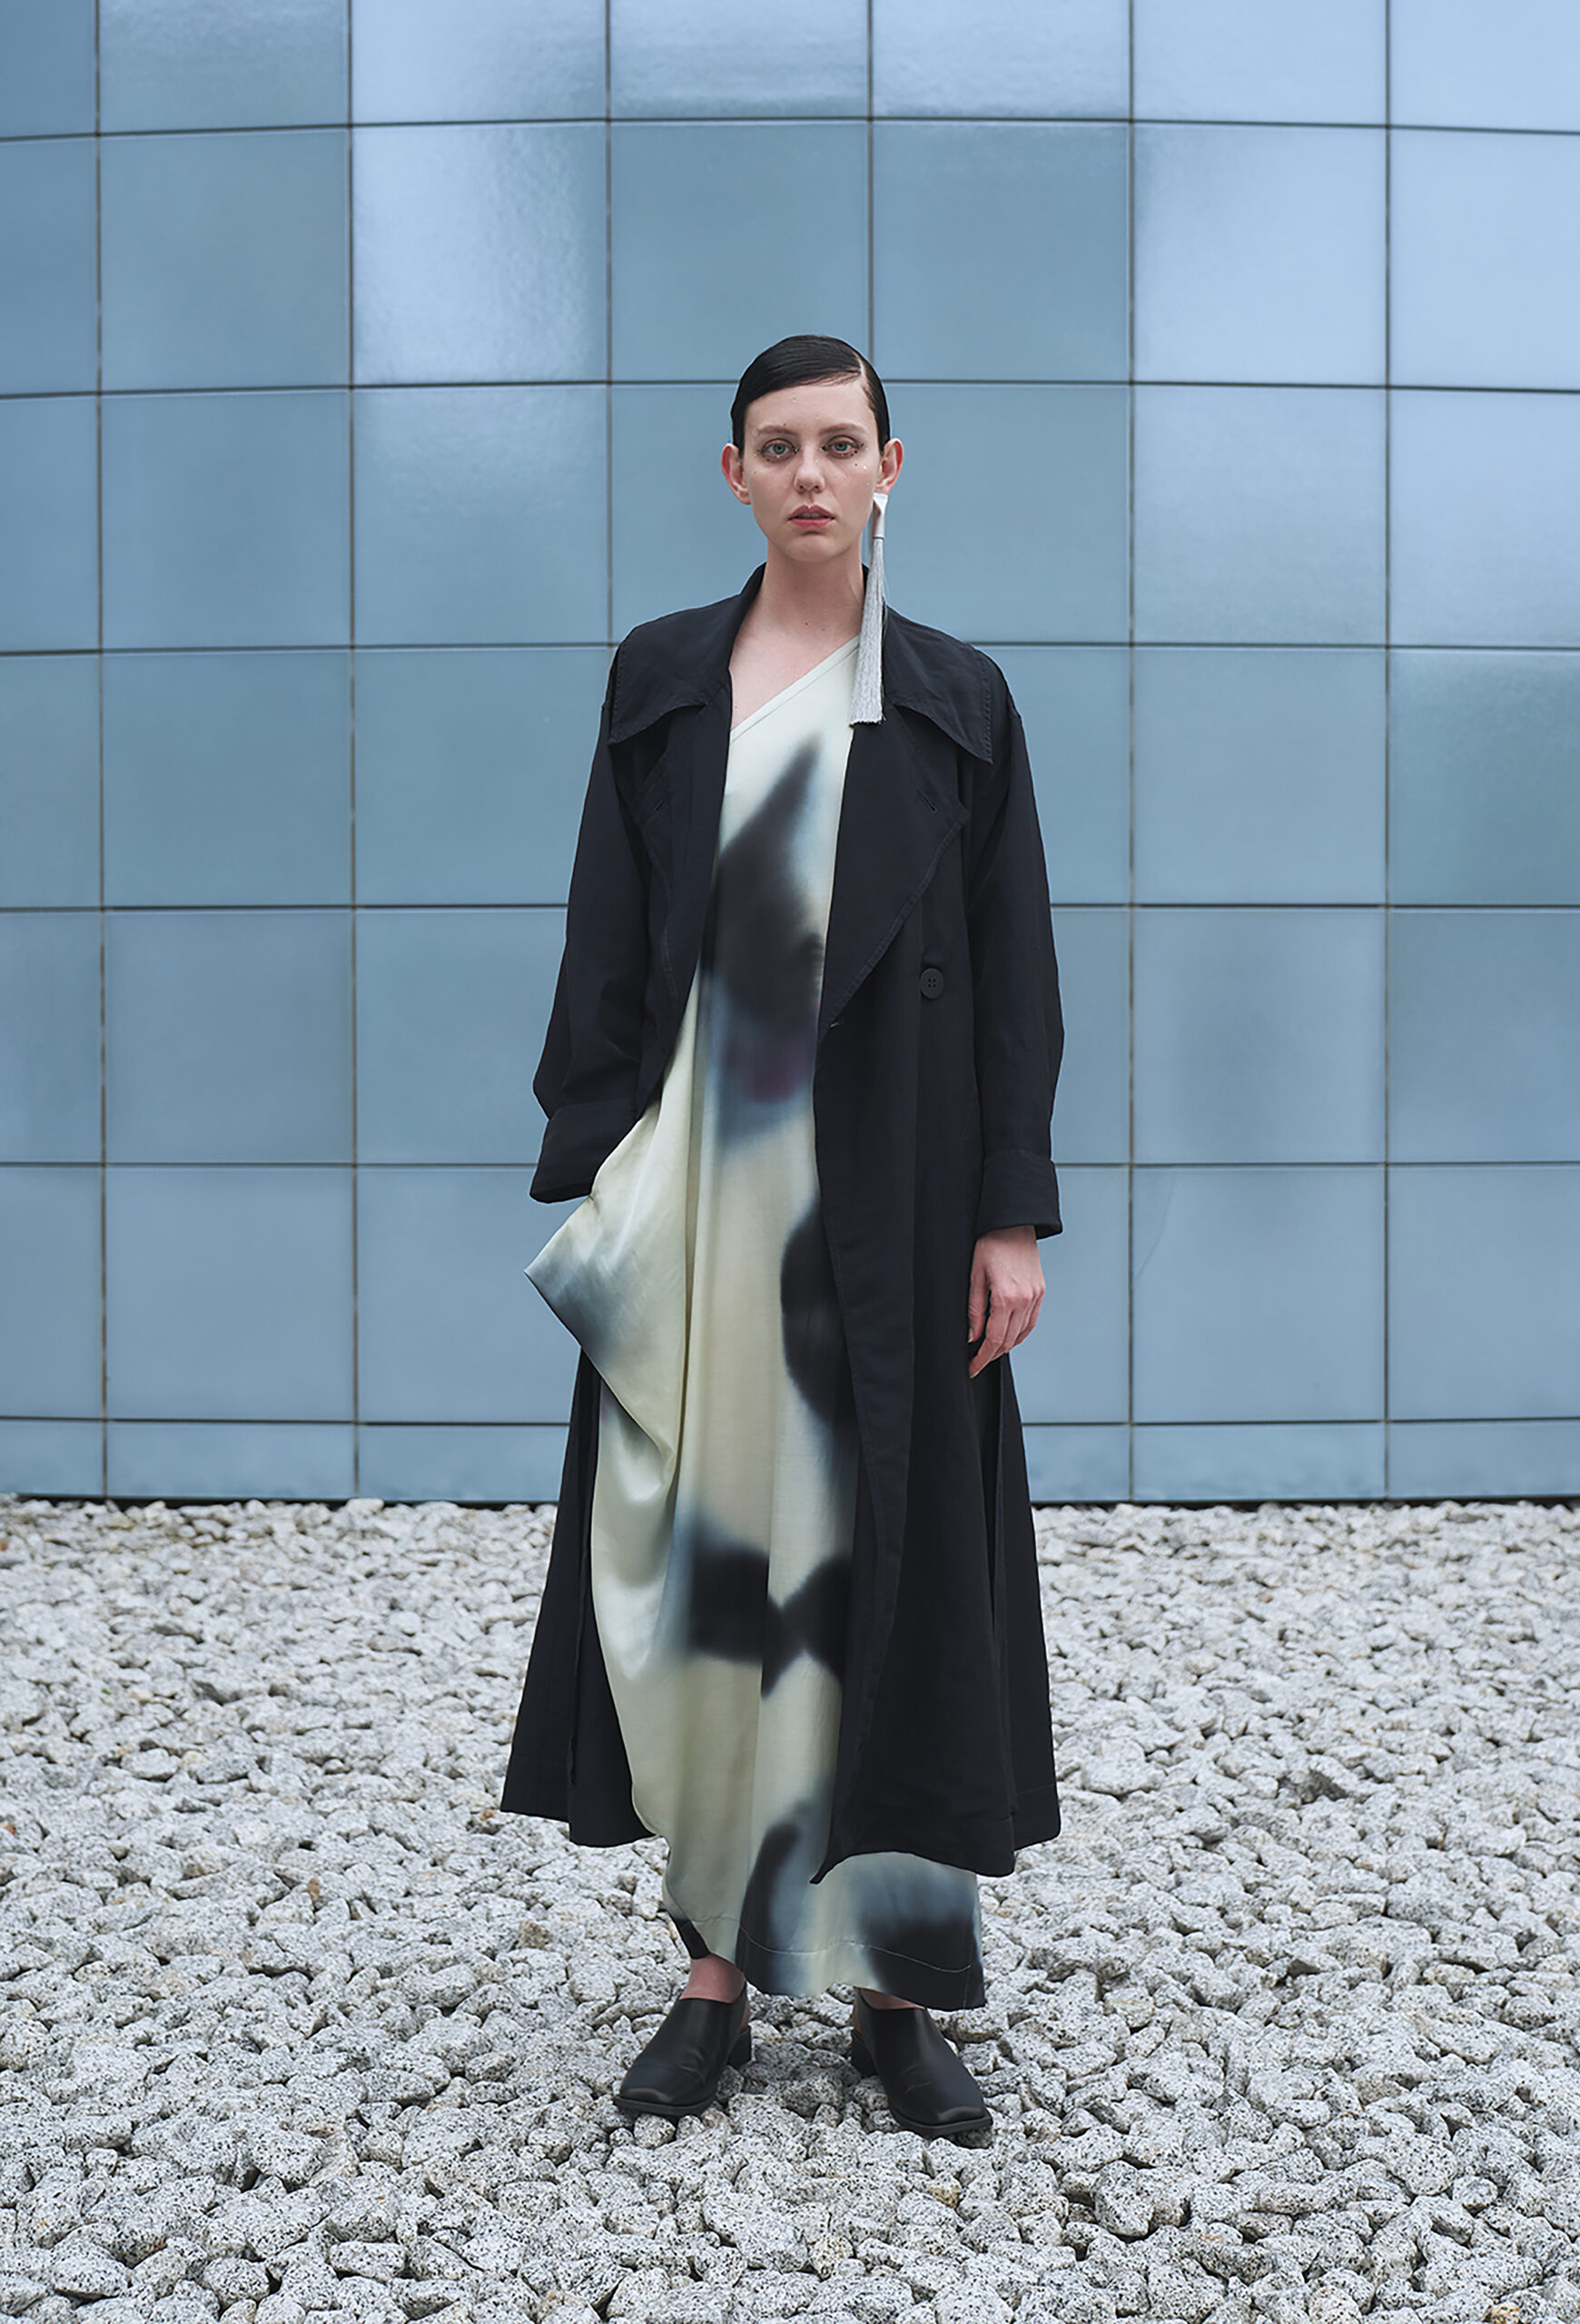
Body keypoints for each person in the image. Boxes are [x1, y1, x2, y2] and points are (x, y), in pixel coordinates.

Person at [501, 335, 1064, 2140]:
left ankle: (897, 1995)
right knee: (715, 1570)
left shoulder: (958, 700)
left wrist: (1007, 1211)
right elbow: (606, 928)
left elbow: (1015, 975)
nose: (811, 474)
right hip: (704, 1186)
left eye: (840, 443)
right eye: (778, 446)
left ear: (893, 465)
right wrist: (601, 1161)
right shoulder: (665, 679)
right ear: (731, 470)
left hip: (901, 1197)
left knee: (895, 1569)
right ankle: (714, 1979)